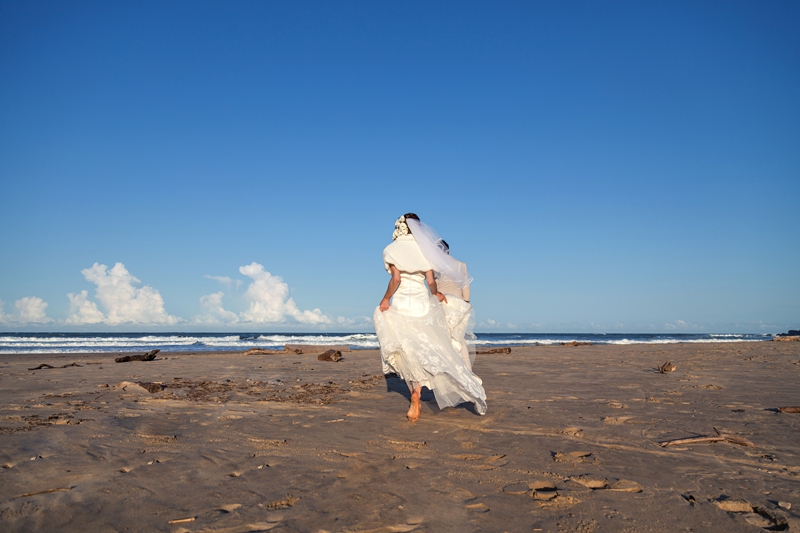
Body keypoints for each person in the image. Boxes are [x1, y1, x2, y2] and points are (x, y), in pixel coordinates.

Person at [373, 213, 487, 421]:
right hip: (420, 303)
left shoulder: (391, 250)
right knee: (420, 347)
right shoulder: (425, 251)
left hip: (401, 302)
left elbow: (396, 279)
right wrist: (436, 294)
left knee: (405, 349)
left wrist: (385, 299)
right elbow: (431, 281)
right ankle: (421, 390)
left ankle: (414, 394)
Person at [435, 239, 476, 371]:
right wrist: (466, 303)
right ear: (449, 251)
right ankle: (467, 369)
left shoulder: (434, 267)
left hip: (442, 303)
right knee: (460, 338)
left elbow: (434, 288)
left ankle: (451, 369)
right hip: (459, 304)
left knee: (445, 337)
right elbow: (466, 286)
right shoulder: (461, 264)